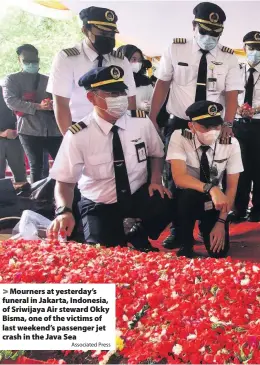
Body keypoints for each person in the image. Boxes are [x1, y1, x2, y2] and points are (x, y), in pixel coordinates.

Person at [47, 66, 171, 251]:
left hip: (136, 195)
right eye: (112, 93)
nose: (120, 98)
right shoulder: (78, 135)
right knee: (105, 253)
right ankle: (120, 233)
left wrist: (155, 180)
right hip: (100, 202)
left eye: (122, 91)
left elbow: (156, 153)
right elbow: (64, 181)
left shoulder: (141, 122)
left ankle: (138, 231)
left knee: (166, 201)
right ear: (92, 98)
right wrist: (64, 210)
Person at [150, 1, 242, 249]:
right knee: (176, 179)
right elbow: (162, 85)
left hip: (213, 126)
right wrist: (151, 119)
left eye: (215, 33)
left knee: (210, 172)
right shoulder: (175, 48)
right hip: (179, 123)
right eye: (205, 31)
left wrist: (228, 124)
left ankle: (208, 224)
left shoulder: (229, 57)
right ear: (194, 26)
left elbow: (232, 94)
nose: (209, 37)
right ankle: (180, 231)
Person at [167, 100, 243, 257]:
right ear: (191, 126)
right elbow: (179, 178)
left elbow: (231, 187)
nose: (212, 131)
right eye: (205, 127)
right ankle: (185, 242)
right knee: (187, 195)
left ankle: (206, 227)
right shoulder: (180, 137)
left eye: (216, 126)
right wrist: (211, 188)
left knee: (219, 253)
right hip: (189, 198)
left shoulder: (231, 143)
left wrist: (221, 222)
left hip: (215, 202)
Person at [47, 6, 137, 135]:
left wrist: (130, 133)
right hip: (81, 127)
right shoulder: (67, 59)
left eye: (111, 34)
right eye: (102, 33)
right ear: (85, 30)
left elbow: (131, 99)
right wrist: (70, 140)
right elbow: (61, 104)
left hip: (116, 127)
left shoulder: (121, 61)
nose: (108, 38)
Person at [231, 31, 260, 223]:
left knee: (258, 170)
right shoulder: (235, 70)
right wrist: (237, 109)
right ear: (244, 49)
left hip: (259, 126)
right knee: (240, 168)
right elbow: (231, 96)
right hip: (239, 125)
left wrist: (254, 110)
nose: (256, 51)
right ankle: (239, 209)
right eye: (252, 48)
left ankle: (257, 210)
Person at [3, 44, 62, 183]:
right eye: (27, 61)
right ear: (19, 60)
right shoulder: (11, 80)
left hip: (53, 129)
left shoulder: (48, 79)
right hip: (28, 130)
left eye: (34, 61)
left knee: (62, 163)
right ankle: (38, 198)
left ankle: (63, 195)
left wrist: (52, 105)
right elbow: (12, 102)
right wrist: (38, 106)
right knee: (36, 166)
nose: (31, 64)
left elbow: (62, 99)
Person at [0, 85, 27, 186]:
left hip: (15, 139)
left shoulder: (9, 91)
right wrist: (2, 133)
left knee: (21, 177)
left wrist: (17, 132)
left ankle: (24, 199)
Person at [117, 44, 154, 113]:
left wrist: (144, 106)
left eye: (140, 60)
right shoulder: (113, 80)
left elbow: (153, 104)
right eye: (134, 59)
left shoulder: (146, 83)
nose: (137, 63)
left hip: (137, 120)